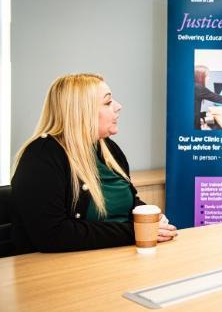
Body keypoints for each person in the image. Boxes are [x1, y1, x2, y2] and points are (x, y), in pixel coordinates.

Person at [11, 74, 177, 254]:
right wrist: (136, 232)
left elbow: (124, 200)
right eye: (107, 102)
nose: (118, 106)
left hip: (118, 255)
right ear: (81, 111)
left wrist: (149, 217)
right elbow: (53, 235)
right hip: (65, 269)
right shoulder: (42, 156)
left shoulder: (108, 148)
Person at [194, 65, 222, 129]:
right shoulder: (198, 88)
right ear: (200, 77)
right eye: (207, 76)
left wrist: (203, 115)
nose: (208, 78)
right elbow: (218, 98)